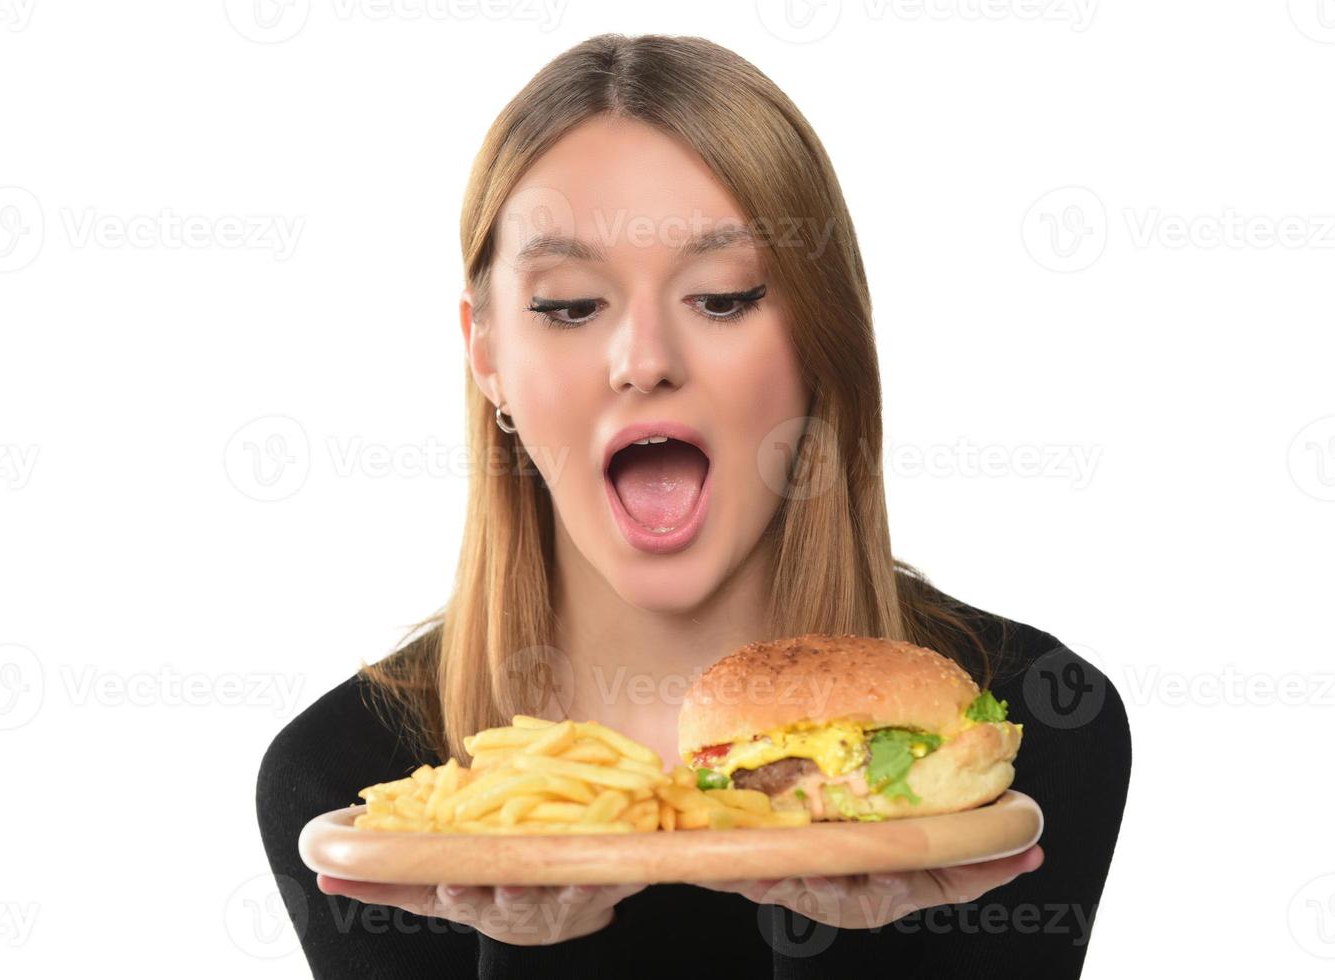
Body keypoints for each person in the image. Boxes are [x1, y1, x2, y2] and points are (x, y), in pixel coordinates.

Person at [256, 32, 1131, 979]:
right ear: (488, 355)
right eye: (568, 306)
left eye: (723, 296)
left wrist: (848, 932)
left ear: (819, 341)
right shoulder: (347, 778)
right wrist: (535, 948)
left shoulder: (1038, 732)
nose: (645, 360)